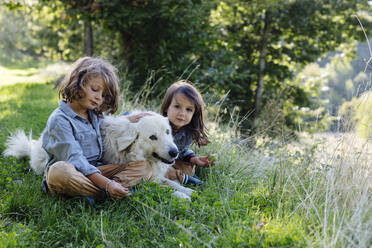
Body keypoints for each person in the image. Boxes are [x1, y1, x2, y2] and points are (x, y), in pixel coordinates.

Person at [42, 57, 150, 205]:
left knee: (143, 165)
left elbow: (109, 123)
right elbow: (76, 159)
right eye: (95, 89)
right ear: (77, 82)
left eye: (103, 95)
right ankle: (105, 192)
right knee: (59, 172)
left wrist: (129, 119)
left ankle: (98, 192)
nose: (99, 97)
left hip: (97, 170)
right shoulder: (59, 120)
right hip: (73, 174)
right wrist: (107, 184)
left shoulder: (93, 114)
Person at [161, 80, 215, 186]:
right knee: (156, 166)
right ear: (167, 107)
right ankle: (181, 178)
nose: (182, 113)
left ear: (194, 113)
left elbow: (182, 150)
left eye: (188, 110)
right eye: (177, 106)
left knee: (188, 168)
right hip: (154, 161)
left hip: (171, 161)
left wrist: (194, 159)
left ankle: (182, 176)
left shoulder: (187, 132)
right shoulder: (159, 126)